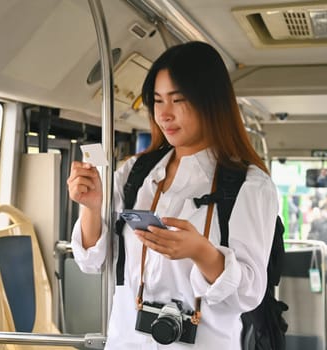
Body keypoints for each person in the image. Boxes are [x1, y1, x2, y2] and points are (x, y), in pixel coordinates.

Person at [67, 41, 279, 349]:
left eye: (178, 100)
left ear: (210, 102)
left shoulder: (249, 184)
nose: (164, 114)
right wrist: (91, 206)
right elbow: (92, 262)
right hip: (127, 341)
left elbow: (248, 293)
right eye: (157, 101)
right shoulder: (135, 172)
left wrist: (201, 252)